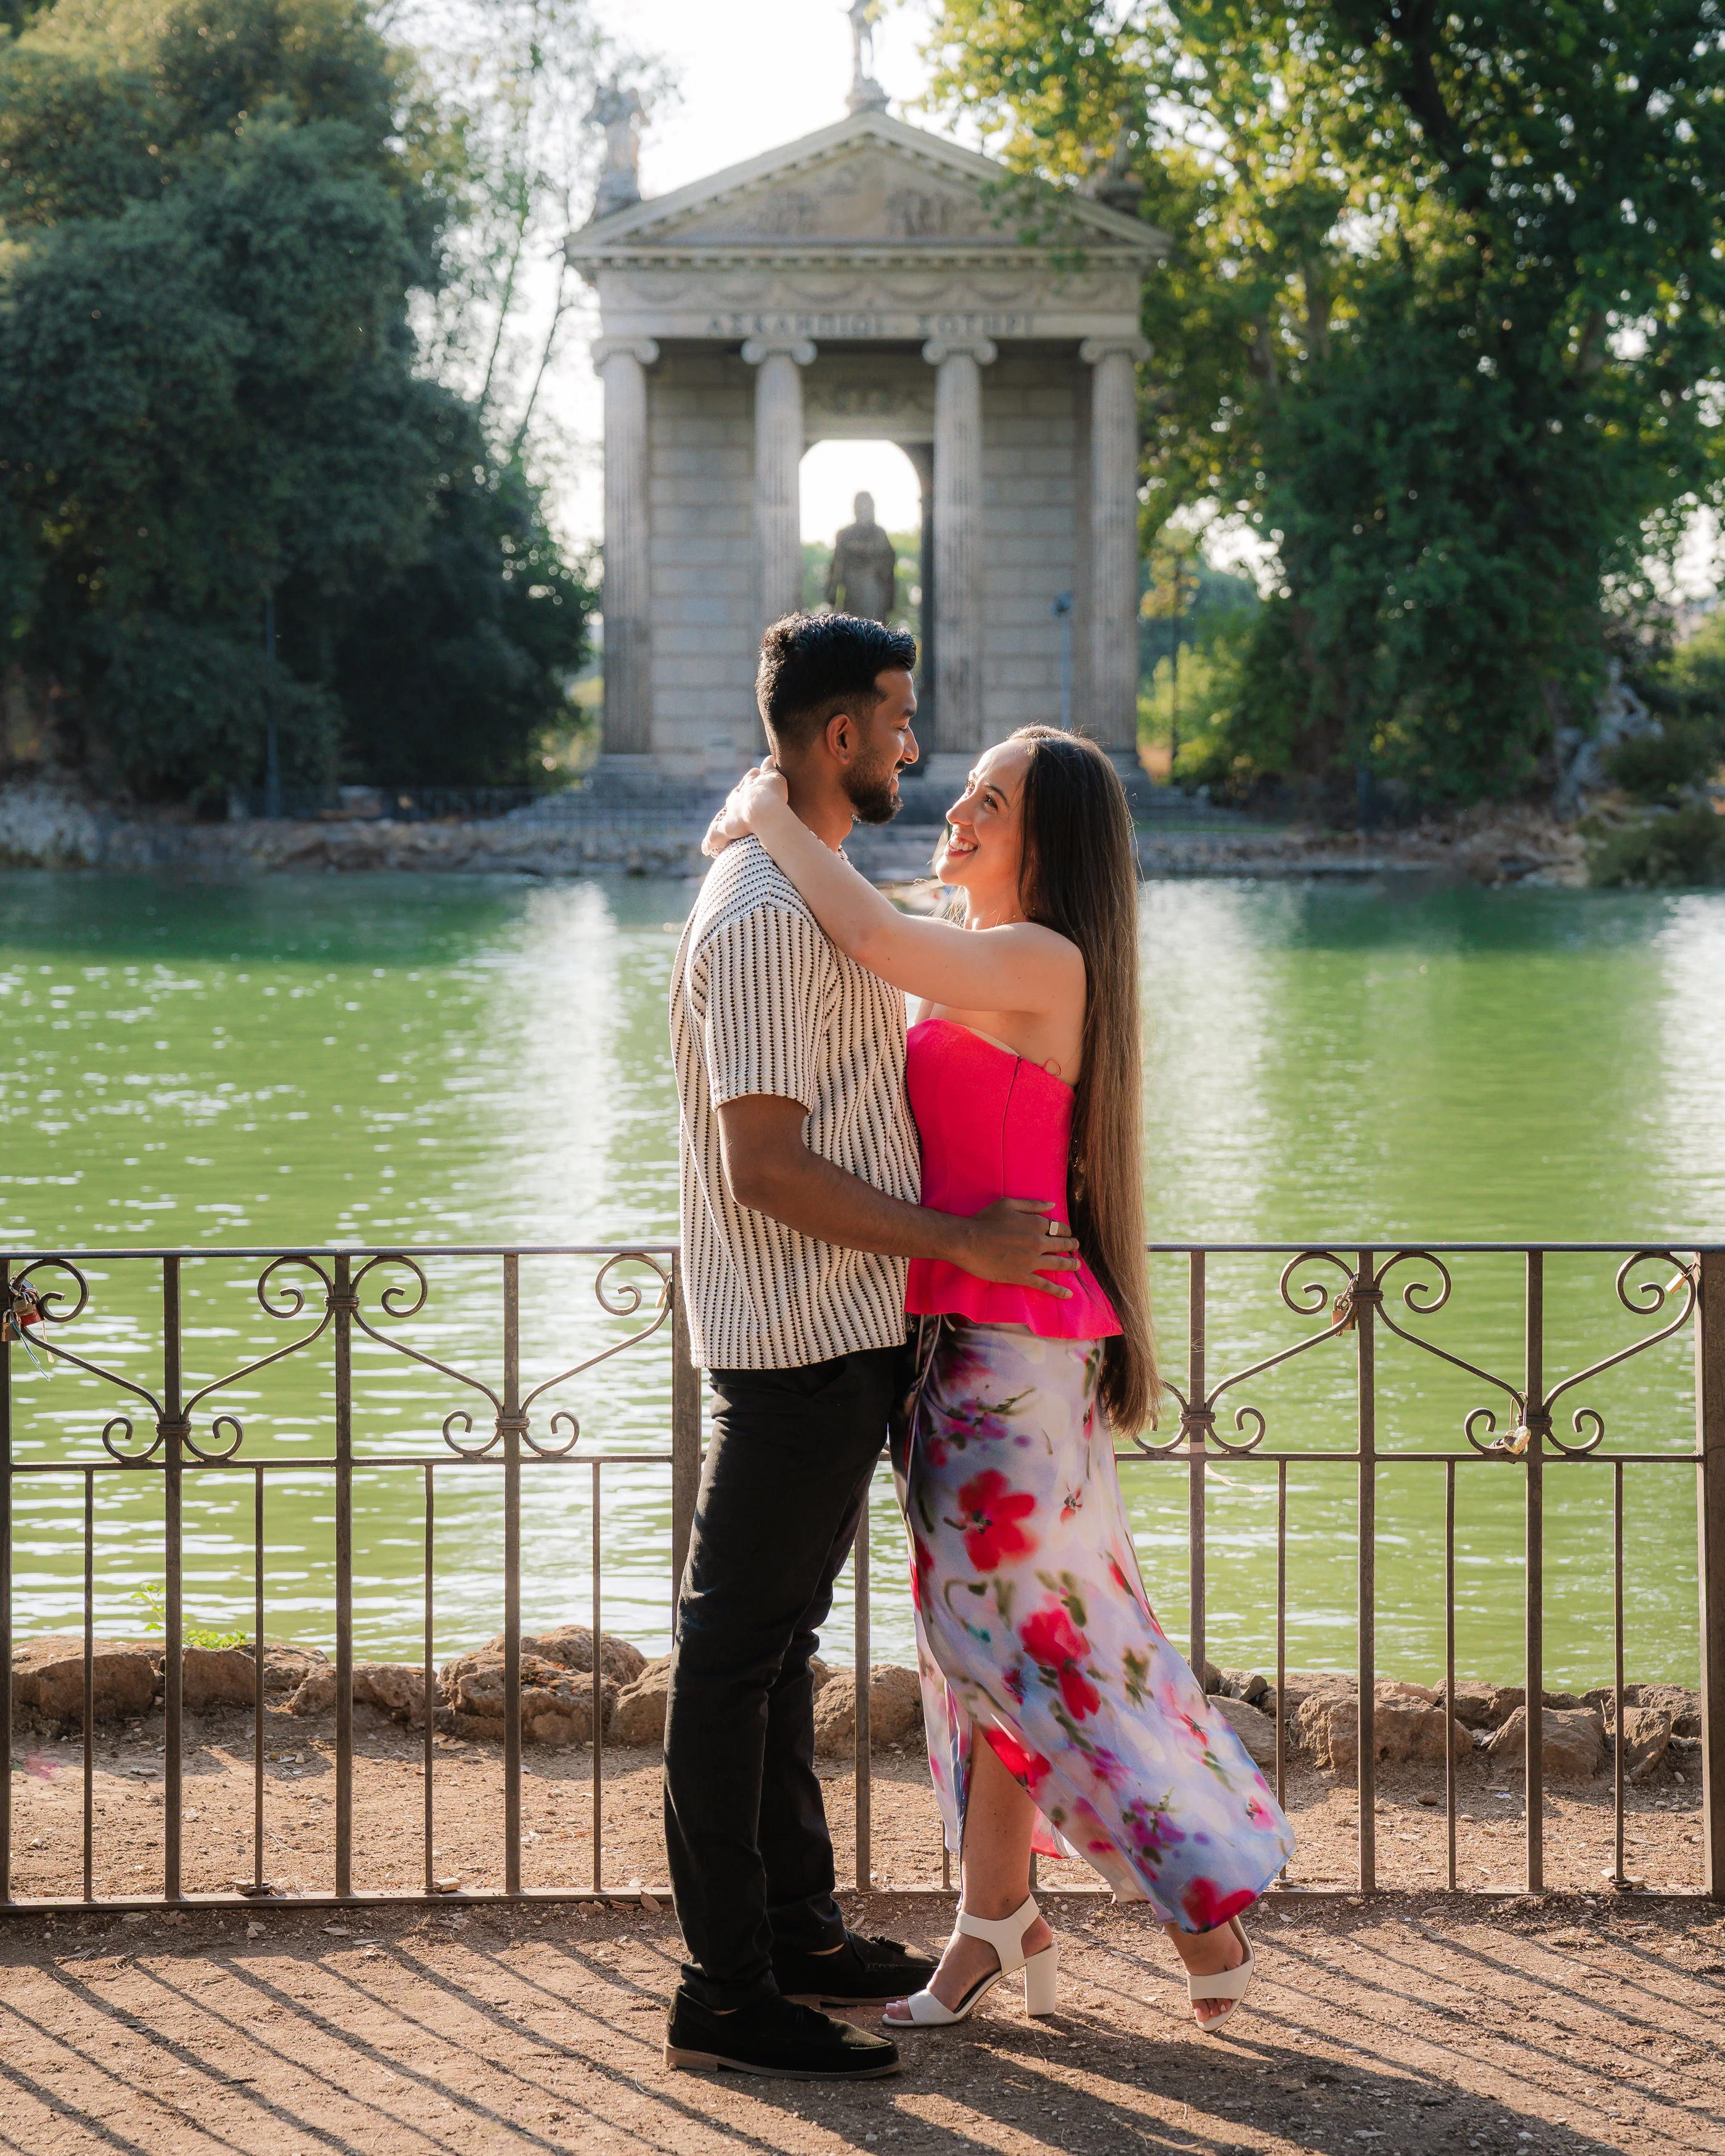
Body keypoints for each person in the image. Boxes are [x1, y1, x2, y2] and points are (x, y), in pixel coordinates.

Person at [708, 723, 1297, 2035]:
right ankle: (996, 1916)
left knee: (1034, 1650)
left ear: (1050, 840)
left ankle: (1199, 1910)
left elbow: (863, 935)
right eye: (962, 790)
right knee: (981, 1651)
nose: (956, 813)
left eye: (991, 800)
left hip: (1014, 1360)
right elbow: (868, 950)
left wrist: (767, 808)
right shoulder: (982, 959)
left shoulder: (1038, 960)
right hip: (966, 1347)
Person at [662, 612, 1082, 2081]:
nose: (918, 746)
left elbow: (900, 936)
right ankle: (727, 1988)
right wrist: (960, 1245)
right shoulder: (770, 914)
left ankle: (796, 1933)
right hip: (797, 1339)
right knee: (731, 1661)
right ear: (840, 737)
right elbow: (766, 1164)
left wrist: (765, 808)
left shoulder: (801, 886)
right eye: (899, 722)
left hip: (842, 1335)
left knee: (777, 1654)